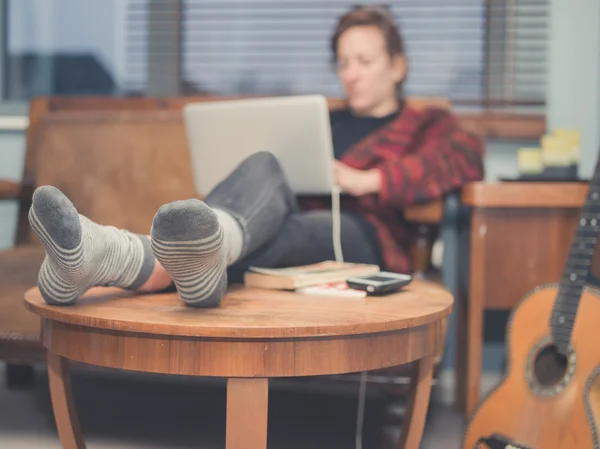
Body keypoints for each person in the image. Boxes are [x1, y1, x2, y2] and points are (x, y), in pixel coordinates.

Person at [29, 5, 484, 308]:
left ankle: (110, 254)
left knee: (294, 230)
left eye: (364, 61)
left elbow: (466, 157)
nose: (351, 75)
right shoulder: (323, 119)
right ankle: (198, 260)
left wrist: (373, 181)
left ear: (398, 66)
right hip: (281, 224)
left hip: (361, 235)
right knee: (266, 164)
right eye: (344, 63)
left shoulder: (427, 123)